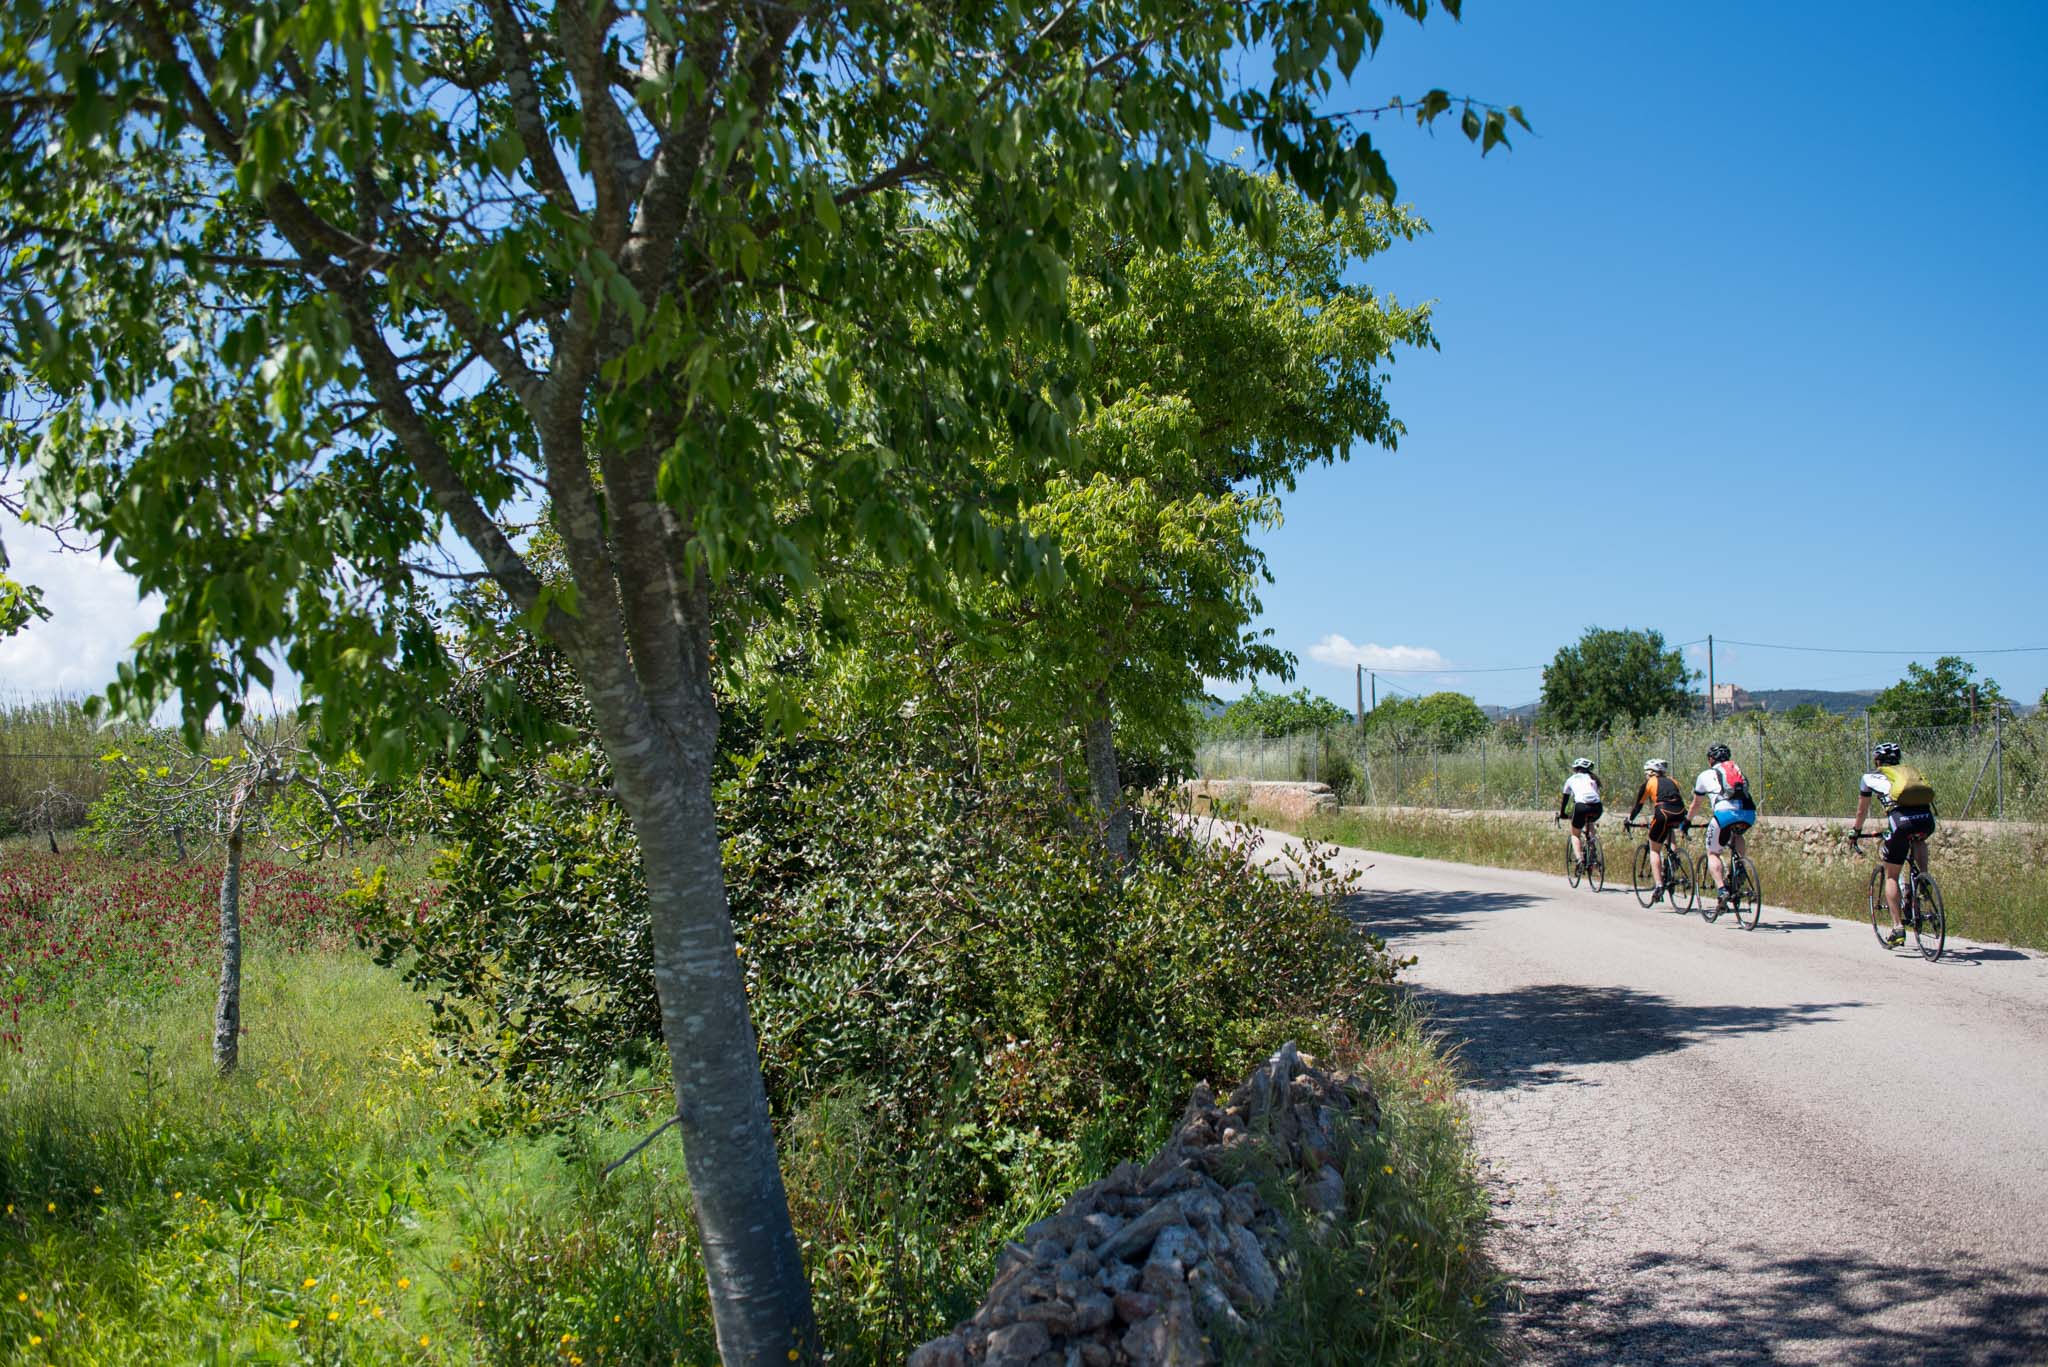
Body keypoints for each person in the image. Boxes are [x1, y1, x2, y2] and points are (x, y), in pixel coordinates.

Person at [1852, 741, 1936, 948]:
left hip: (1900, 822)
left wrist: (1856, 831)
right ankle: (1922, 880)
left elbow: (1862, 811)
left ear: (1877, 760)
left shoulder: (1869, 777)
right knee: (1918, 838)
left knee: (1891, 875)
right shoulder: (1910, 772)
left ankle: (1898, 928)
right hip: (1926, 819)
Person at [1688, 742, 1758, 908]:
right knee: (1738, 834)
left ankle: (1722, 890)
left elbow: (1696, 804)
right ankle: (1740, 866)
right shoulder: (1737, 770)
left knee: (1713, 853)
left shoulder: (1705, 774)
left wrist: (1686, 822)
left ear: (1711, 759)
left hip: (1724, 813)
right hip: (1748, 813)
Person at [1628, 759, 1688, 904]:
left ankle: (1659, 884)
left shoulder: (1648, 783)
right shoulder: (1673, 781)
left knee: (1654, 848)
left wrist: (1629, 819)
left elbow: (1638, 806)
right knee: (1669, 829)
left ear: (1649, 773)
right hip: (1680, 812)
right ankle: (1673, 858)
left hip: (1662, 812)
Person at [1556, 758, 1603, 870]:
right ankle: (1593, 851)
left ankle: (1580, 859)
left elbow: (1565, 799)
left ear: (1576, 769)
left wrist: (1563, 813)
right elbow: (1594, 796)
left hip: (1581, 806)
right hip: (1597, 807)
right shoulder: (1593, 779)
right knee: (1590, 823)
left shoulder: (1571, 779)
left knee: (1575, 834)